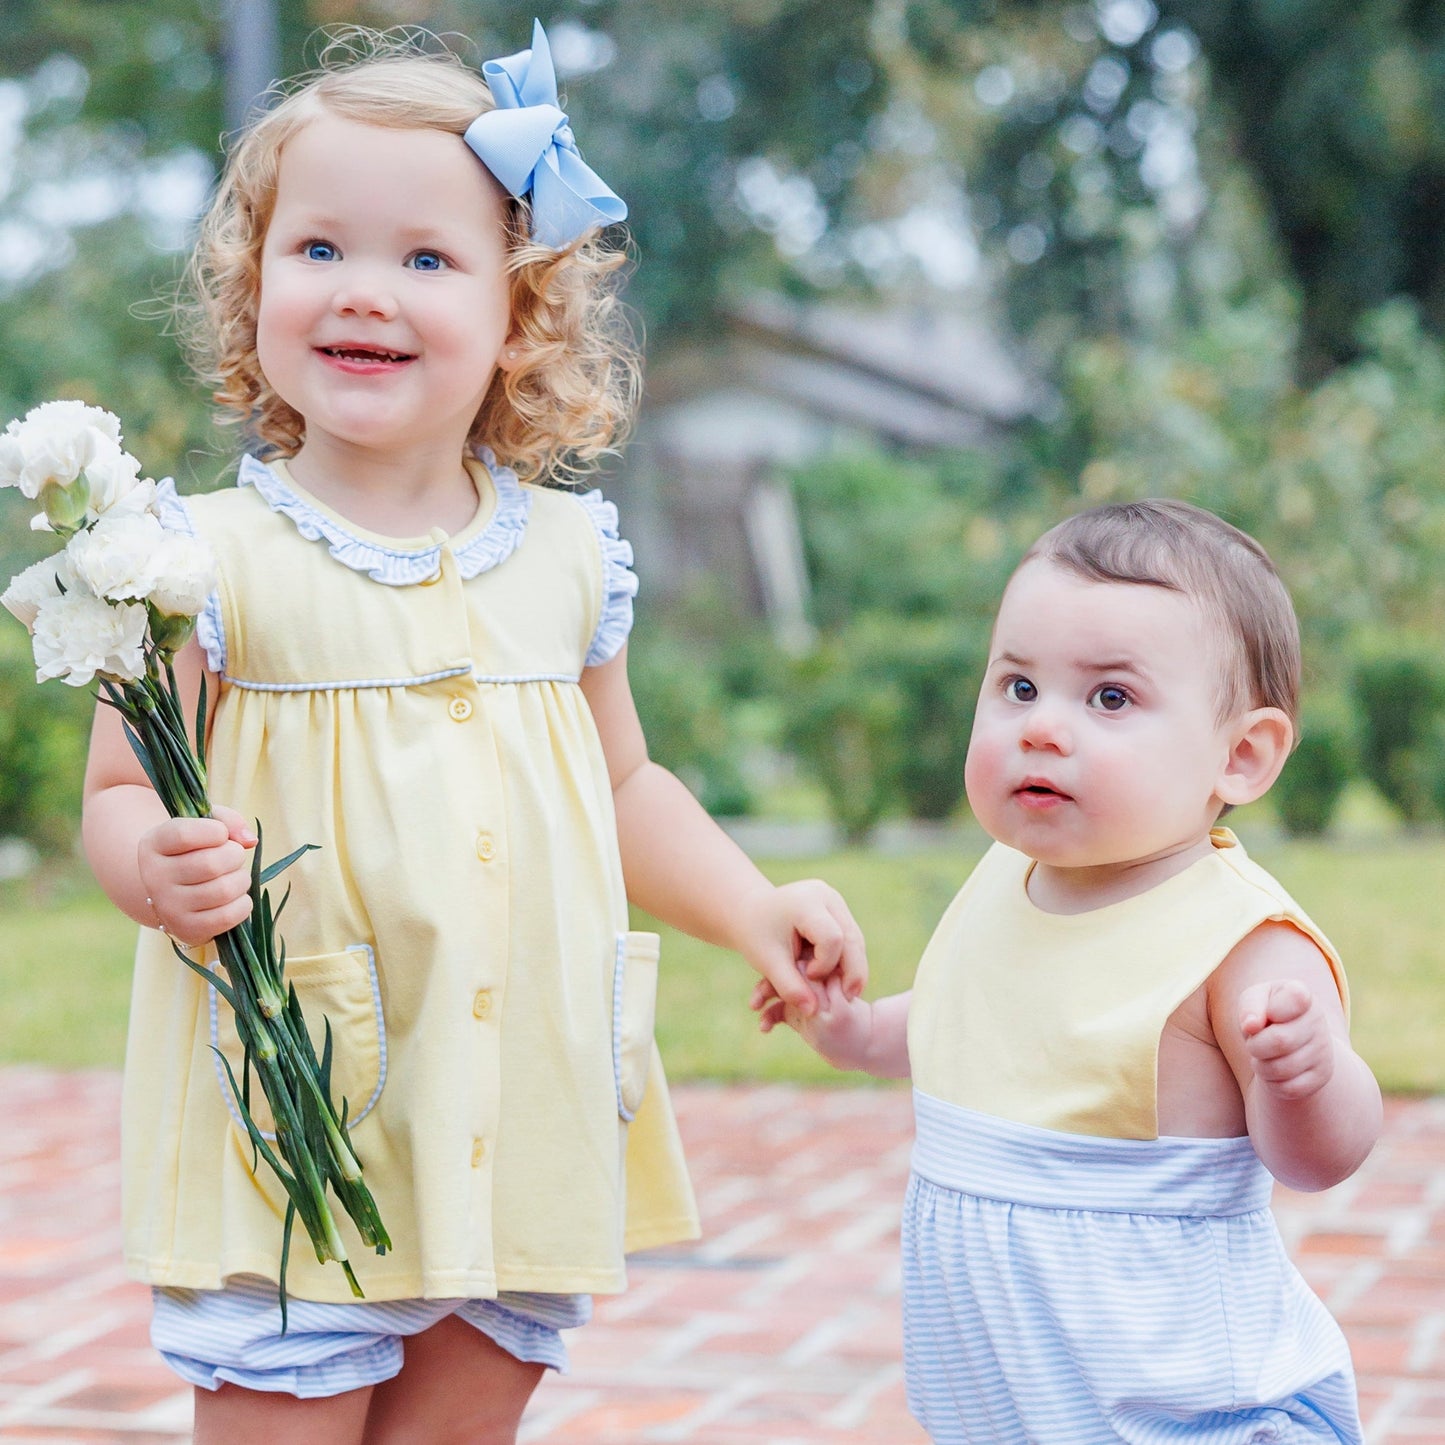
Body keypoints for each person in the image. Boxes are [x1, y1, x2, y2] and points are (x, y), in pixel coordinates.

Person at [81, 23, 864, 1444]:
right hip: (302, 1106)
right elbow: (121, 787)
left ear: (520, 316)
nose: (364, 291)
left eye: (426, 259)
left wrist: (753, 905)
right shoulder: (203, 560)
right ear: (252, 285)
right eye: (318, 249)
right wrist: (156, 864)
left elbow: (623, 781)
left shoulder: (567, 553)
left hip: (510, 1106)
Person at [755, 499, 1381, 1444]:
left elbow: (1319, 1156)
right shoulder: (1012, 872)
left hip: (1179, 1402)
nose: (1042, 729)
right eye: (1016, 687)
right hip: (1010, 1396)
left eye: (1110, 698)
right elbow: (977, 1015)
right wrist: (855, 1030)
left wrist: (1310, 1074)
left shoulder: (1239, 937)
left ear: (1241, 755)